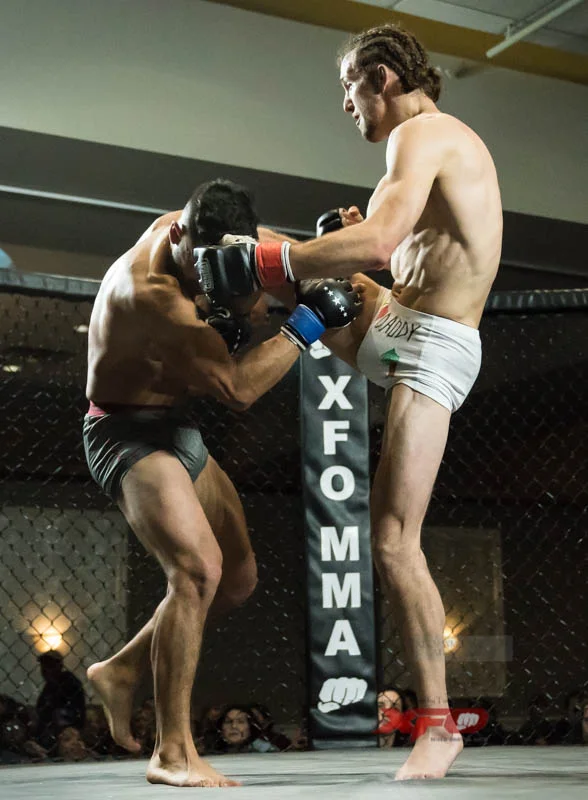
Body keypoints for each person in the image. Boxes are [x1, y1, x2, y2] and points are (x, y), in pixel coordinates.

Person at [195, 22, 502, 780]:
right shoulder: (426, 146)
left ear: (383, 78)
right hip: (402, 320)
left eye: (348, 87)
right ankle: (221, 324)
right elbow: (404, 255)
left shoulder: (425, 135)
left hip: (434, 349)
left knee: (393, 541)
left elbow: (380, 245)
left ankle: (439, 726)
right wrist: (286, 255)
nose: (344, 104)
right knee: (260, 254)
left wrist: (272, 259)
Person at [83, 178, 361, 788]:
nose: (204, 275)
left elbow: (297, 263)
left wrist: (334, 253)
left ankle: (122, 670)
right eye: (197, 262)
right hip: (126, 433)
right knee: (197, 572)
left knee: (236, 579)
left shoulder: (233, 241)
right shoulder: (150, 291)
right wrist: (308, 320)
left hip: (176, 428)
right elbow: (237, 390)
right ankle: (172, 754)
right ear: (179, 232)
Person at [36, 650, 86, 753]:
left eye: (50, 665)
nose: (46, 669)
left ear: (59, 666)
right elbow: (40, 708)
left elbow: (71, 711)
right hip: (51, 730)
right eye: (44, 666)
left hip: (67, 727)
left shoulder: (69, 681)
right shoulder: (49, 686)